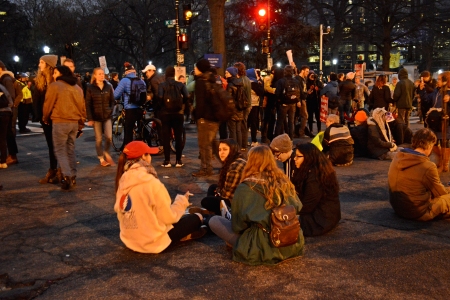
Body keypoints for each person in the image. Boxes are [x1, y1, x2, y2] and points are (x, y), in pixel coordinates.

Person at [208, 145, 305, 265]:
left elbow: (238, 226)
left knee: (214, 221)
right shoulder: (284, 181)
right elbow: (298, 207)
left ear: (250, 162)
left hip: (260, 247)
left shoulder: (246, 187)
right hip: (291, 241)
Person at [114, 141, 207, 254]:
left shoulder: (123, 181)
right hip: (152, 243)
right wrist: (182, 201)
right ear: (143, 156)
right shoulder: (151, 183)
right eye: (149, 154)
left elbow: (121, 213)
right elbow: (168, 218)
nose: (151, 157)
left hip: (130, 241)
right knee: (197, 217)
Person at [388, 128, 450, 221]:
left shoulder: (398, 157)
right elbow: (440, 193)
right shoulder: (427, 166)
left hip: (398, 208)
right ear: (430, 145)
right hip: (417, 212)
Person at [42, 66, 86, 190]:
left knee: (60, 150)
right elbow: (82, 107)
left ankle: (66, 176)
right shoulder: (77, 88)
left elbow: (48, 104)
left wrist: (45, 117)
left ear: (61, 74)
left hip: (60, 120)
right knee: (70, 149)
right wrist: (81, 122)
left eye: (55, 72)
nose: (53, 75)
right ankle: (72, 175)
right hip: (74, 122)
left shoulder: (55, 86)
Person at [291, 143, 341, 236]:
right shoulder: (315, 170)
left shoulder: (314, 177)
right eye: (295, 156)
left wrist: (289, 212)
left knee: (279, 221)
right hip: (328, 216)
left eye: (298, 156)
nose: (294, 159)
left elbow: (308, 205)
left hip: (319, 221)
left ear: (309, 158)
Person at [196, 139, 246, 215]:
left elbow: (227, 195)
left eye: (225, 149)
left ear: (232, 150)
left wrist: (218, 192)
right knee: (213, 187)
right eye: (219, 150)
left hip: (236, 204)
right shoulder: (237, 160)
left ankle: (214, 213)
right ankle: (212, 211)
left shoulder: (235, 166)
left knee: (206, 201)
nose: (221, 153)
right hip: (235, 196)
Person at [32, 55, 60, 184]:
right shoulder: (39, 81)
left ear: (48, 65)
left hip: (57, 117)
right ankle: (53, 169)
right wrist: (39, 116)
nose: (39, 65)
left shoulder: (56, 80)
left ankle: (59, 170)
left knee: (59, 145)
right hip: (45, 118)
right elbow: (37, 100)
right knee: (51, 145)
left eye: (42, 62)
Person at [192, 58, 219, 177]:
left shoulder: (200, 82)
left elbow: (200, 102)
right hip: (215, 117)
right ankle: (228, 163)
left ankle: (205, 168)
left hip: (205, 118)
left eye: (196, 68)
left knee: (204, 145)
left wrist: (198, 116)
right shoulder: (213, 79)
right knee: (213, 144)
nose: (194, 70)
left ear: (200, 69)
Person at [157, 66, 189, 167]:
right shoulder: (180, 85)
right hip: (178, 113)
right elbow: (187, 96)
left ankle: (167, 161)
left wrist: (160, 107)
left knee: (166, 137)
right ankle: (178, 160)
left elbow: (160, 97)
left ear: (166, 74)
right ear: (174, 74)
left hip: (166, 114)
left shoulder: (162, 85)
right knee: (178, 137)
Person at [85, 67, 115, 167]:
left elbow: (112, 100)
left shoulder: (108, 86)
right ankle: (101, 158)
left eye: (103, 74)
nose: (102, 75)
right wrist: (90, 118)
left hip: (107, 116)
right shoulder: (90, 87)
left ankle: (106, 151)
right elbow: (88, 103)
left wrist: (110, 110)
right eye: (99, 74)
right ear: (95, 75)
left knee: (109, 137)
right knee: (98, 139)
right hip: (96, 116)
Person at [114, 62, 145, 147]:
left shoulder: (124, 81)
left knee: (128, 130)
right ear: (134, 71)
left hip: (130, 108)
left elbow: (116, 95)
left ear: (126, 72)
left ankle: (129, 150)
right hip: (140, 108)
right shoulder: (141, 80)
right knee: (141, 128)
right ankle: (143, 145)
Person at [0, 60, 21, 165]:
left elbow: (10, 96)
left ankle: (12, 155)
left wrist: (10, 106)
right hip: (9, 109)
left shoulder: (6, 79)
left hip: (9, 110)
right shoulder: (6, 78)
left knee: (9, 133)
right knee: (7, 133)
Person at [275, 65, 301, 139]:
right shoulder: (296, 81)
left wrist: (279, 100)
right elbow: (299, 92)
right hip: (293, 103)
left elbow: (277, 93)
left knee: (279, 122)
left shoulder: (281, 81)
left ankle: (276, 139)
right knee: (291, 122)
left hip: (284, 103)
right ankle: (291, 139)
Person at [225, 67, 244, 148]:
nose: (225, 74)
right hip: (240, 109)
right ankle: (239, 147)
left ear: (231, 74)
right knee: (238, 130)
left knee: (232, 130)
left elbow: (228, 99)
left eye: (227, 73)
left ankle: (234, 148)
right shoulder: (241, 83)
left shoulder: (230, 84)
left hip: (232, 110)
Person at [234, 62, 251, 151]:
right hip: (247, 105)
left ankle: (240, 144)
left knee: (240, 126)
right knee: (244, 125)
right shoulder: (247, 79)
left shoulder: (240, 80)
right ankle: (244, 144)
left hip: (242, 105)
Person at [246, 68, 265, 146]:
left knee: (246, 123)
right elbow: (261, 92)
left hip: (246, 104)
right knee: (253, 123)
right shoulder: (254, 83)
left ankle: (244, 140)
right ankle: (254, 140)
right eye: (256, 73)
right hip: (253, 104)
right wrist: (260, 85)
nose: (257, 75)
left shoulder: (245, 82)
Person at [0, 84, 13, 169]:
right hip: (6, 113)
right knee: (2, 138)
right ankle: (3, 161)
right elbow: (10, 101)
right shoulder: (2, 87)